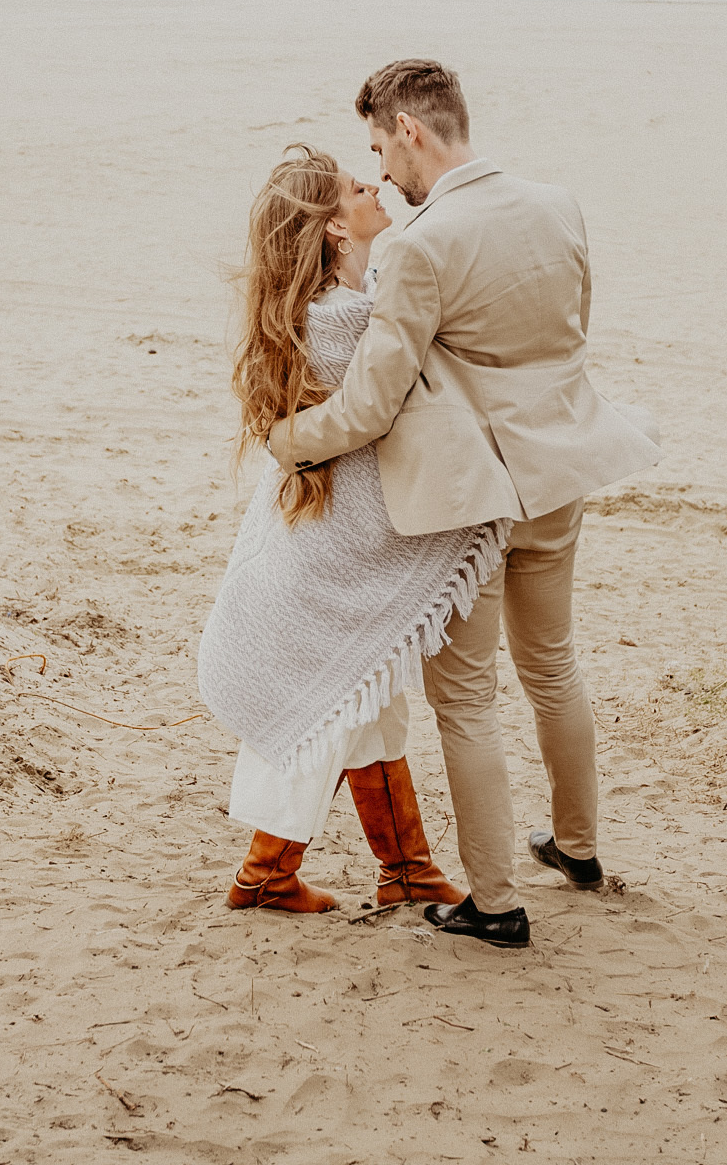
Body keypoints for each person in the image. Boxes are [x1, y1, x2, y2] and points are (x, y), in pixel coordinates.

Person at [264, 59, 658, 949]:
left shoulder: (418, 245)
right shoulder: (557, 204)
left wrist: (285, 442)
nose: (382, 173)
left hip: (476, 495)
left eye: (377, 146)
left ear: (410, 130)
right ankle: (579, 849)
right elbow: (569, 335)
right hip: (562, 466)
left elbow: (370, 405)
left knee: (469, 702)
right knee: (553, 664)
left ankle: (493, 902)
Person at [197, 144, 491, 914]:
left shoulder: (330, 309)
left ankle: (406, 869)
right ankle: (265, 875)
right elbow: (393, 401)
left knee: (369, 702)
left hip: (315, 554)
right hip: (321, 565)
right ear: (333, 226)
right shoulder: (343, 321)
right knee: (327, 710)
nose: (376, 188)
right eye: (359, 188)